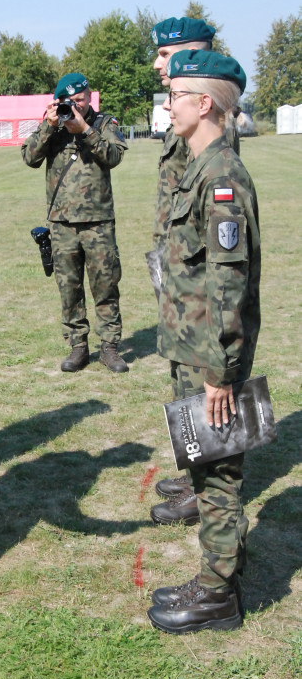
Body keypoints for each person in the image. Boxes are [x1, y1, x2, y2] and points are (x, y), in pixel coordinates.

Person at [147, 49, 261, 634]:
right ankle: (224, 568)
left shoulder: (220, 176)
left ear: (205, 103)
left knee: (217, 474)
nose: (168, 106)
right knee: (202, 463)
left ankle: (218, 593)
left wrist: (222, 371)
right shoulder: (197, 167)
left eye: (176, 97)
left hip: (208, 356)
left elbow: (229, 281)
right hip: (190, 348)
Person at [149, 17, 240, 526]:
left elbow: (224, 264)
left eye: (167, 58)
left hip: (201, 294)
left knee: (200, 390)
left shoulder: (215, 146)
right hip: (180, 277)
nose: (160, 69)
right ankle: (194, 476)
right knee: (184, 384)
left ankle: (202, 485)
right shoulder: (184, 119)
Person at [21, 73, 128, 373]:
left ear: (90, 97)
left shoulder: (104, 124)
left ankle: (109, 346)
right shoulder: (52, 127)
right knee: (69, 287)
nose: (76, 106)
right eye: (69, 102)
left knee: (105, 284)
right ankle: (78, 346)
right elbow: (29, 157)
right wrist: (49, 125)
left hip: (98, 221)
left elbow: (114, 155)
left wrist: (83, 129)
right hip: (62, 223)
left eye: (80, 99)